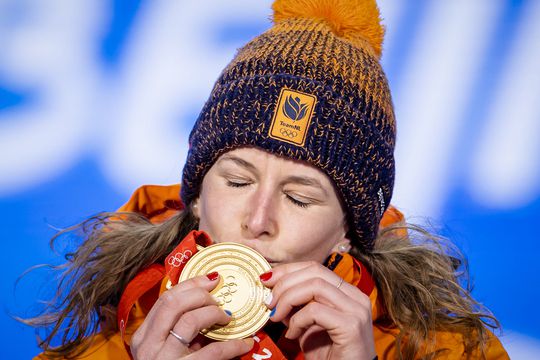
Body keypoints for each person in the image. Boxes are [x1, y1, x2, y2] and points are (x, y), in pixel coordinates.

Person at [23, 0, 509, 358]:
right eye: (237, 182)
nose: (258, 221)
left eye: (299, 197)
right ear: (195, 197)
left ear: (349, 229)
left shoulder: (457, 352)